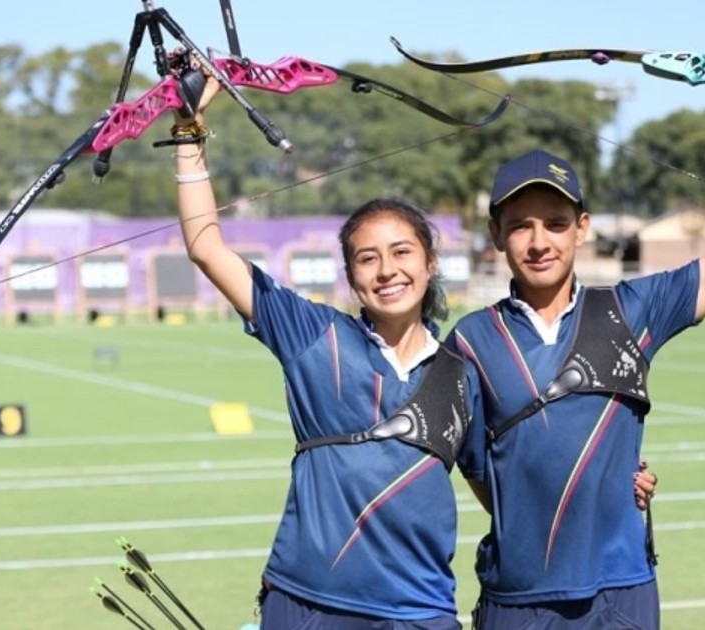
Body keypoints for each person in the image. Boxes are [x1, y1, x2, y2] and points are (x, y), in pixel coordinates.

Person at [167, 63, 659, 629]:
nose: (386, 270)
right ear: (351, 276)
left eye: (402, 252)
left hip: (419, 613)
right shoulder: (313, 337)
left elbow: (510, 479)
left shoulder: (464, 368)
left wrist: (616, 492)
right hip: (306, 601)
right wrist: (188, 136)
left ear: (430, 263)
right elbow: (208, 250)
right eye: (367, 258)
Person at [447, 75, 705, 629]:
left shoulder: (633, 310)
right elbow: (475, 467)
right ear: (495, 234)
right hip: (518, 598)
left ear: (582, 229)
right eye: (521, 227)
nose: (540, 242)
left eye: (557, 224)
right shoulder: (469, 340)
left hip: (622, 591)